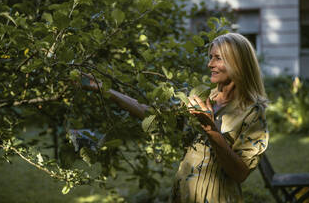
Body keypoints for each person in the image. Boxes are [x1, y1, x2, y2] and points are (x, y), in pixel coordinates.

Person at [81, 33, 269, 203]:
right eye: (210, 57)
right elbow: (150, 113)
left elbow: (240, 173)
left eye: (217, 58)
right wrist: (104, 89)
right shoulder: (204, 98)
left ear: (237, 63)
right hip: (183, 194)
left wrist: (211, 129)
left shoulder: (252, 111)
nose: (209, 64)